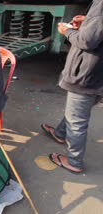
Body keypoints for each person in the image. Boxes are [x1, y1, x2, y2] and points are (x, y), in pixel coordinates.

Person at [41, 0, 103, 173]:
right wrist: (88, 21)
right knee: (77, 111)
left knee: (77, 121)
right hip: (98, 73)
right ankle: (60, 133)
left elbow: (87, 41)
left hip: (88, 74)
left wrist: (66, 31)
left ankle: (74, 162)